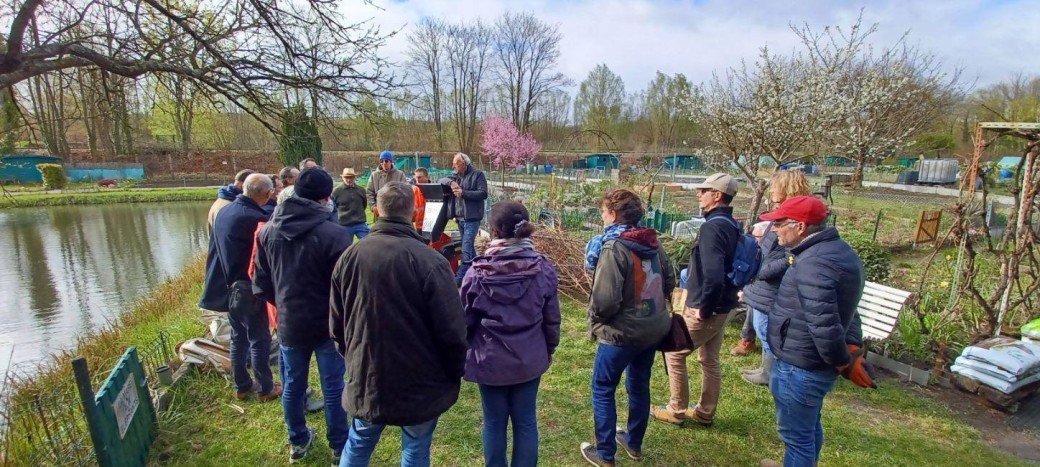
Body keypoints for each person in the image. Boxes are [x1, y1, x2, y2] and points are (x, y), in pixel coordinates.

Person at [330, 182, 466, 467]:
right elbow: (452, 330)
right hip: (419, 378)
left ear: (376, 210)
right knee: (414, 449)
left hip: (368, 373)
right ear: (414, 211)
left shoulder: (350, 257)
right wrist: (454, 371)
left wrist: (353, 358)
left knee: (358, 443)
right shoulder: (431, 261)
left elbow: (336, 324)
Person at [758, 196, 869, 467]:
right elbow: (848, 309)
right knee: (807, 429)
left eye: (780, 223)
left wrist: (842, 360)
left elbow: (824, 323)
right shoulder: (835, 251)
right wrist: (849, 347)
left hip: (801, 365)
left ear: (800, 226)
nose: (774, 230)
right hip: (807, 361)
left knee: (797, 438)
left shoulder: (814, 263)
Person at [253, 168, 351, 464]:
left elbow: (261, 282)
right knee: (333, 386)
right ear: (325, 198)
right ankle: (339, 445)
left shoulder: (268, 230)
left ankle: (298, 440)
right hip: (327, 323)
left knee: (293, 384)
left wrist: (283, 305)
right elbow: (347, 288)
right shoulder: (336, 234)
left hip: (291, 322)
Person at [461, 201, 560, 467]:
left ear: (493, 230)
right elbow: (552, 320)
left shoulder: (475, 273)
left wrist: (465, 351)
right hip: (529, 358)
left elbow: (464, 322)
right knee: (526, 420)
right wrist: (548, 349)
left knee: (493, 422)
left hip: (490, 360)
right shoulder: (544, 269)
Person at [580, 188, 673, 467]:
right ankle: (633, 442)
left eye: (603, 210)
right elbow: (668, 281)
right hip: (652, 330)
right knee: (639, 383)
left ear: (612, 214)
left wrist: (597, 320)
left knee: (603, 387)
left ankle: (606, 455)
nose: (601, 215)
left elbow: (605, 300)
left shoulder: (612, 247)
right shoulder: (652, 242)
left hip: (620, 335)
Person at [651, 173, 740, 427]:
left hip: (708, 306)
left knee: (675, 352)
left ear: (718, 196)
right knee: (709, 358)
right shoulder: (731, 224)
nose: (698, 194)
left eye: (704, 190)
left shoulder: (713, 227)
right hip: (724, 304)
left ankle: (676, 409)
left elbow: (713, 273)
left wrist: (704, 308)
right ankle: (704, 411)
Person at [199, 173, 281, 402]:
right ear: (265, 194)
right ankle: (266, 388)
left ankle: (242, 385)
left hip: (229, 286)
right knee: (260, 339)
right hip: (248, 287)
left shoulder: (225, 210)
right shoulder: (253, 217)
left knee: (239, 338)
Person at [740, 170, 812, 386]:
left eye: (774, 186)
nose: (770, 190)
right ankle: (765, 369)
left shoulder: (797, 215)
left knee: (767, 331)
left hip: (773, 284)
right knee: (763, 329)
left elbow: (791, 254)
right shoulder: (782, 212)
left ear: (787, 187)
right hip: (763, 283)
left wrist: (763, 271)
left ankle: (771, 374)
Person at [448, 152, 488, 285]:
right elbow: (440, 180)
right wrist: (451, 183)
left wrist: (463, 193)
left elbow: (483, 193)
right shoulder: (456, 176)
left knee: (466, 249)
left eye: (455, 164)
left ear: (463, 164)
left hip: (472, 218)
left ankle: (458, 280)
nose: (453, 166)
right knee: (470, 249)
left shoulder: (478, 174)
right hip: (460, 219)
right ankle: (481, 273)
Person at [330, 168, 369, 245]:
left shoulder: (361, 190)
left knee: (368, 244)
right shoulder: (336, 192)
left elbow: (364, 204)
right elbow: (333, 209)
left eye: (351, 177)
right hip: (344, 225)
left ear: (355, 177)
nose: (349, 180)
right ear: (342, 178)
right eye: (346, 177)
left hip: (360, 223)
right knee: (344, 248)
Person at [365, 150, 406, 219]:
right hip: (380, 212)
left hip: (396, 212)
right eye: (382, 161)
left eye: (386, 161)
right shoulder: (374, 175)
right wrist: (373, 206)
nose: (384, 163)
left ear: (391, 162)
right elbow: (369, 192)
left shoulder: (400, 175)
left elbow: (405, 192)